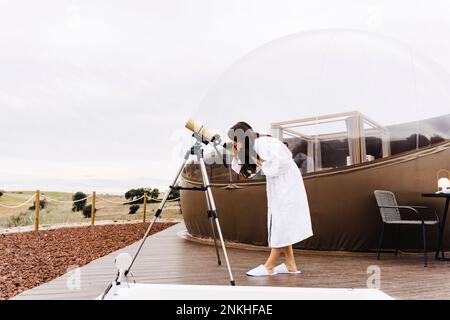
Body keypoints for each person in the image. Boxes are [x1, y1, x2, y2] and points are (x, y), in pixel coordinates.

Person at [227, 121, 313, 276]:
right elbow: (248, 174)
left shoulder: (264, 143)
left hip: (287, 183)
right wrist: (235, 156)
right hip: (278, 183)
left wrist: (259, 162)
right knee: (281, 220)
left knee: (281, 220)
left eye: (235, 139)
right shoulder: (252, 148)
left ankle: (270, 265)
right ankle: (290, 264)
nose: (234, 143)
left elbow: (283, 162)